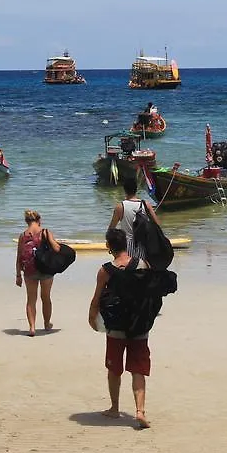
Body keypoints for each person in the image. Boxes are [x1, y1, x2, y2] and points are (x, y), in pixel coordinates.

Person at [88, 228, 153, 429]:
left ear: (109, 246)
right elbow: (152, 292)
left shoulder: (106, 270)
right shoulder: (143, 264)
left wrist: (92, 318)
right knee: (138, 369)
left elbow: (96, 298)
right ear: (126, 243)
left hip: (115, 326)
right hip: (138, 325)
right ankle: (140, 411)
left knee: (114, 369)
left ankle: (115, 408)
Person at [15, 210, 61, 337]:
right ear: (39, 220)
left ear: (26, 221)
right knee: (46, 298)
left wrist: (18, 275)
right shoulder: (45, 232)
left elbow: (19, 256)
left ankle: (32, 327)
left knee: (31, 299)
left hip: (29, 270)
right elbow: (56, 248)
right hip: (46, 269)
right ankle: (46, 324)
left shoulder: (23, 235)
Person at [107, 178, 159, 260]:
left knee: (128, 269)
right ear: (136, 189)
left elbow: (111, 229)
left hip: (126, 246)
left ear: (124, 190)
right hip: (143, 245)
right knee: (142, 269)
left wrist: (109, 244)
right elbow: (157, 224)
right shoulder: (145, 204)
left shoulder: (120, 207)